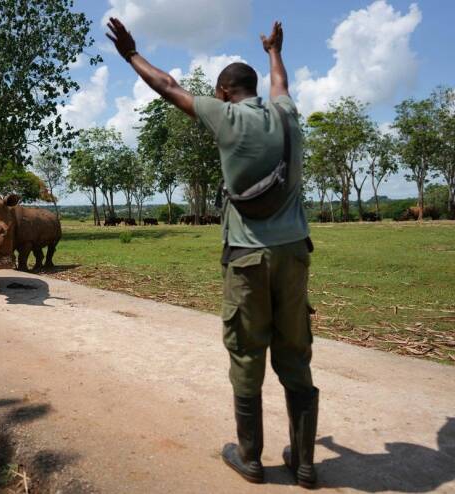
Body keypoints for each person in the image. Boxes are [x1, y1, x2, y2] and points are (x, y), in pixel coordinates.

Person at [106, 18, 319, 488]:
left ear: (224, 91)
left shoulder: (225, 116)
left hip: (247, 256)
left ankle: (251, 459)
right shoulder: (287, 113)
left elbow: (168, 85)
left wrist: (130, 56)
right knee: (295, 354)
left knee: (247, 353)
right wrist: (274, 51)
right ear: (256, 88)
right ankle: (304, 464)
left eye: (218, 91)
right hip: (293, 253)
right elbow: (281, 82)